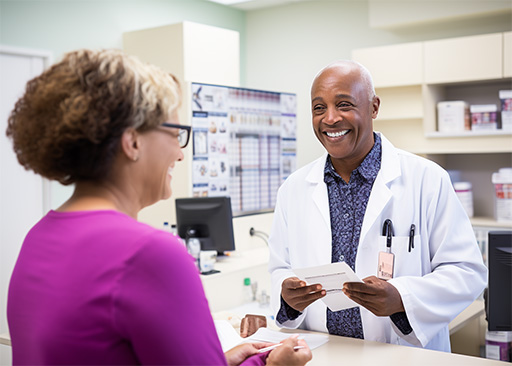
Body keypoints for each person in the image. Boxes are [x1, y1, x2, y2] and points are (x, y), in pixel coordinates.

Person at [6, 48, 312, 366]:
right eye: (175, 133)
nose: (180, 154)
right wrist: (272, 364)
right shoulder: (149, 253)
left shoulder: (38, 237)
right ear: (133, 142)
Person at [267, 60, 487, 352]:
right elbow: (279, 268)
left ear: (373, 107)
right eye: (319, 108)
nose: (330, 119)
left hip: (402, 354)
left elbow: (467, 272)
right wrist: (287, 296)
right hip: (323, 354)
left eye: (344, 105)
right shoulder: (293, 188)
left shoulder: (426, 179)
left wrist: (401, 298)